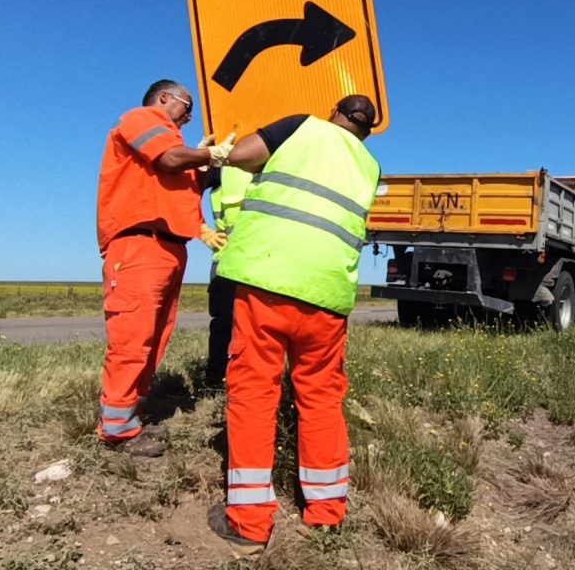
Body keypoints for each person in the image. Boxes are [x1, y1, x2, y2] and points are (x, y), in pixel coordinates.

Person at [207, 95, 381, 551]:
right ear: (367, 129)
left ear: (335, 114)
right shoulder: (369, 165)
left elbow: (244, 155)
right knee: (321, 399)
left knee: (254, 393)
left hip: (268, 279)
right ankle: (325, 515)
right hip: (327, 296)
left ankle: (248, 523)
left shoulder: (303, 126)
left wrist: (221, 153)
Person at [95, 80, 235, 457]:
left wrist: (203, 163)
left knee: (154, 336)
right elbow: (170, 160)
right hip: (140, 244)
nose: (189, 116)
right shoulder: (144, 119)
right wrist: (206, 155)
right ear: (163, 98)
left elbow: (185, 185)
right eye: (185, 107)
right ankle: (117, 428)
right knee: (133, 336)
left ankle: (128, 410)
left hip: (169, 247)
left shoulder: (174, 143)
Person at [202, 165, 253, 389]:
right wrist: (201, 229)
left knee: (260, 325)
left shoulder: (277, 155)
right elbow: (181, 192)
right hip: (227, 261)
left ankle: (250, 380)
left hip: (264, 260)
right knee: (224, 323)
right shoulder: (222, 166)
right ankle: (216, 379)